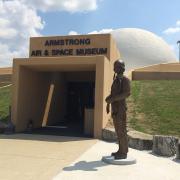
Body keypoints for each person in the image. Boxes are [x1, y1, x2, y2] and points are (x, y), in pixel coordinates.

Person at [105, 59, 131, 159]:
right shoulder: (116, 80)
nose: (114, 68)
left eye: (115, 66)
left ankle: (124, 152)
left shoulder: (125, 80)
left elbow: (126, 93)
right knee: (118, 130)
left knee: (121, 130)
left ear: (121, 68)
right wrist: (108, 98)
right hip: (115, 108)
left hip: (120, 109)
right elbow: (114, 94)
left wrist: (113, 98)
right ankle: (121, 150)